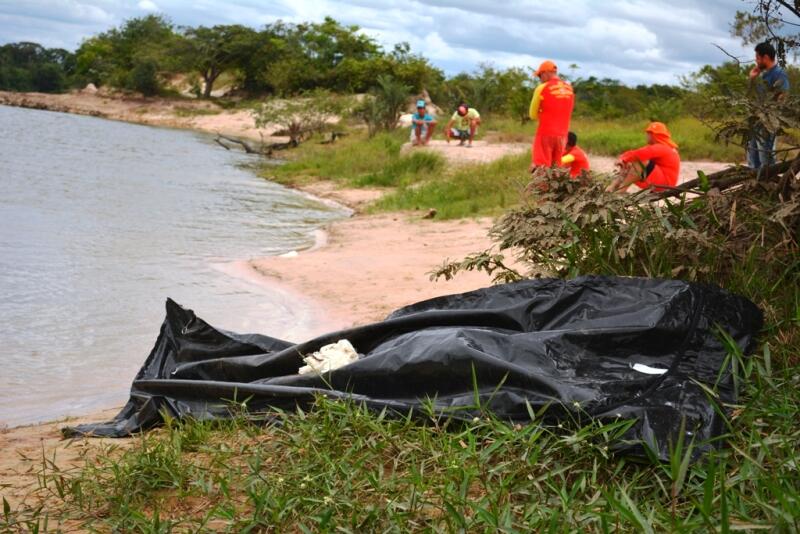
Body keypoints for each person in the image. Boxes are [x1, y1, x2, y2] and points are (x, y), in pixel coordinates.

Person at [747, 41, 790, 169]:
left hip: (768, 123)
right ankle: (754, 186)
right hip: (755, 122)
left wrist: (769, 116)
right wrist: (752, 79)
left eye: (757, 58)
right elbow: (750, 96)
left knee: (765, 158)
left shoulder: (779, 74)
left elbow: (782, 97)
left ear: (765, 57)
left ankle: (769, 186)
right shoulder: (762, 75)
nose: (756, 61)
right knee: (752, 157)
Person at [606, 122, 680, 193]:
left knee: (640, 161)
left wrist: (622, 159)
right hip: (662, 181)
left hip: (665, 185)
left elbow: (638, 154)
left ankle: (622, 189)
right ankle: (613, 186)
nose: (646, 136)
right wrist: (624, 159)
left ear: (653, 135)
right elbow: (636, 152)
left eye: (648, 133)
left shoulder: (662, 147)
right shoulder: (663, 146)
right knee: (630, 162)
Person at [528, 60, 575, 172]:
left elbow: (532, 115)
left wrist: (543, 114)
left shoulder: (542, 88)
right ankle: (553, 190)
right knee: (555, 170)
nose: (540, 79)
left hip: (545, 133)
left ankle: (542, 189)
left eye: (540, 76)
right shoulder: (569, 88)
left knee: (542, 169)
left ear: (545, 73)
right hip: (563, 135)